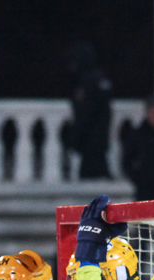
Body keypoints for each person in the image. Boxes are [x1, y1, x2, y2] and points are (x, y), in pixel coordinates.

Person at [65, 41, 112, 180]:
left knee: (90, 180)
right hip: (100, 142)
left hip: (91, 144)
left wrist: (74, 138)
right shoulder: (101, 79)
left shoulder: (88, 82)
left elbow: (85, 115)